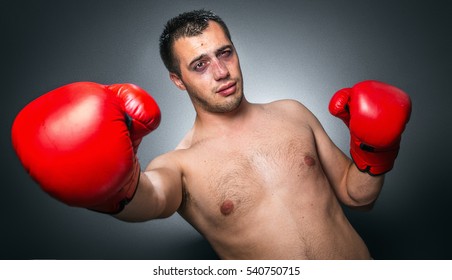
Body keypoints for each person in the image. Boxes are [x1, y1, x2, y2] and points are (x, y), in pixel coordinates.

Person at [11, 9, 411, 259]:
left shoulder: (293, 113)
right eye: (199, 64)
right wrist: (113, 191)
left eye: (225, 53)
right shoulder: (178, 165)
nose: (221, 72)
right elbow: (147, 199)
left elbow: (358, 196)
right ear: (177, 80)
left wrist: (376, 150)